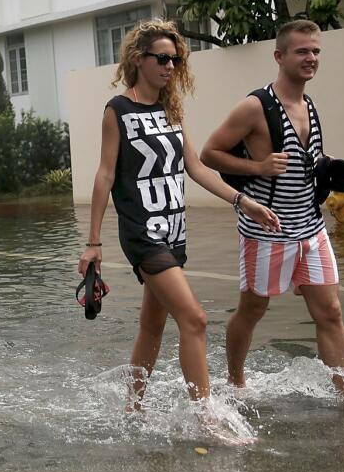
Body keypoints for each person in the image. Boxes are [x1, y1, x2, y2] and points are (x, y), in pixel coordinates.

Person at [79, 20, 280, 414]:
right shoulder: (117, 111)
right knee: (196, 320)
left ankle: (132, 408)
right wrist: (93, 242)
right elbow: (104, 175)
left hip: (174, 231)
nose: (170, 66)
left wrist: (243, 201)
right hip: (142, 232)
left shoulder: (171, 108)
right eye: (162, 58)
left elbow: (196, 167)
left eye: (176, 59)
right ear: (139, 60)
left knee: (152, 326)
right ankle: (207, 418)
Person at [200, 19, 344, 405]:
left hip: (310, 227)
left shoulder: (308, 104)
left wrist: (325, 166)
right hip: (266, 229)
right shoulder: (255, 106)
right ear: (279, 56)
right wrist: (257, 168)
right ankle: (236, 381)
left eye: (316, 51)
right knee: (254, 308)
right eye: (302, 51)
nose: (311, 58)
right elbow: (209, 153)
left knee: (331, 311)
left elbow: (302, 161)